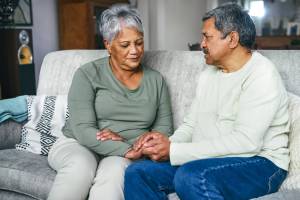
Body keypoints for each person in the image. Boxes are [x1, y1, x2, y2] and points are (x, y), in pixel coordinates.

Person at [124, 4, 290, 200]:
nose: (202, 44)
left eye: (207, 37)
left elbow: (246, 142)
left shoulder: (261, 73)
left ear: (232, 39)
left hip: (262, 164)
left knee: (192, 177)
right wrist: (162, 147)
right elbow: (190, 125)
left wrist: (174, 151)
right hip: (211, 161)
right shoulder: (209, 73)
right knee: (138, 173)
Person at [47, 4, 173, 200]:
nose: (135, 51)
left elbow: (164, 129)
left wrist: (135, 147)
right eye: (125, 45)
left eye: (139, 42)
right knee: (80, 168)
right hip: (79, 144)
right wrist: (127, 148)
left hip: (124, 153)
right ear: (108, 44)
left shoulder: (156, 80)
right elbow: (82, 129)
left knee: (114, 174)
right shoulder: (88, 74)